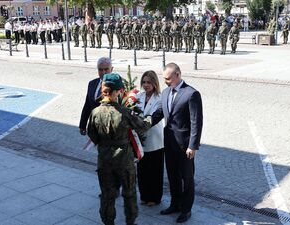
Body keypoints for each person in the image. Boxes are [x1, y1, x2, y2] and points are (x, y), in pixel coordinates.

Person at [87, 73, 152, 225]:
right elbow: (142, 127)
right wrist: (148, 117)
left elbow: (91, 133)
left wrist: (103, 144)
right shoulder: (124, 112)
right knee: (129, 194)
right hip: (124, 160)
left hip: (104, 160)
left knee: (107, 195)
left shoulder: (95, 112)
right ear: (117, 92)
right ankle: (130, 222)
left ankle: (108, 222)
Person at [151, 63, 203, 223]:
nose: (165, 81)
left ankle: (186, 210)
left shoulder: (191, 94)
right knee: (172, 176)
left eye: (168, 78)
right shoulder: (165, 92)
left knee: (187, 179)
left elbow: (196, 122)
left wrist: (193, 146)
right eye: (164, 78)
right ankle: (175, 204)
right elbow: (159, 113)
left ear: (178, 75)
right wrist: (142, 123)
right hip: (169, 144)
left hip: (185, 146)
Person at [136, 70, 164, 206]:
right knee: (142, 170)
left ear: (154, 83)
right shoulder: (138, 96)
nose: (146, 85)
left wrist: (141, 123)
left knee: (155, 171)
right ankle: (144, 195)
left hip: (155, 139)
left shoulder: (160, 98)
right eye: (144, 82)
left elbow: (155, 117)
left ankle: (154, 197)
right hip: (140, 139)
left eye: (149, 82)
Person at [79, 57, 113, 135]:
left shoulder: (117, 87)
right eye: (100, 70)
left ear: (111, 69)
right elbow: (87, 105)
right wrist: (82, 125)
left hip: (110, 131)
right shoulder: (92, 84)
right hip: (94, 128)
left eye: (106, 69)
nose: (103, 72)